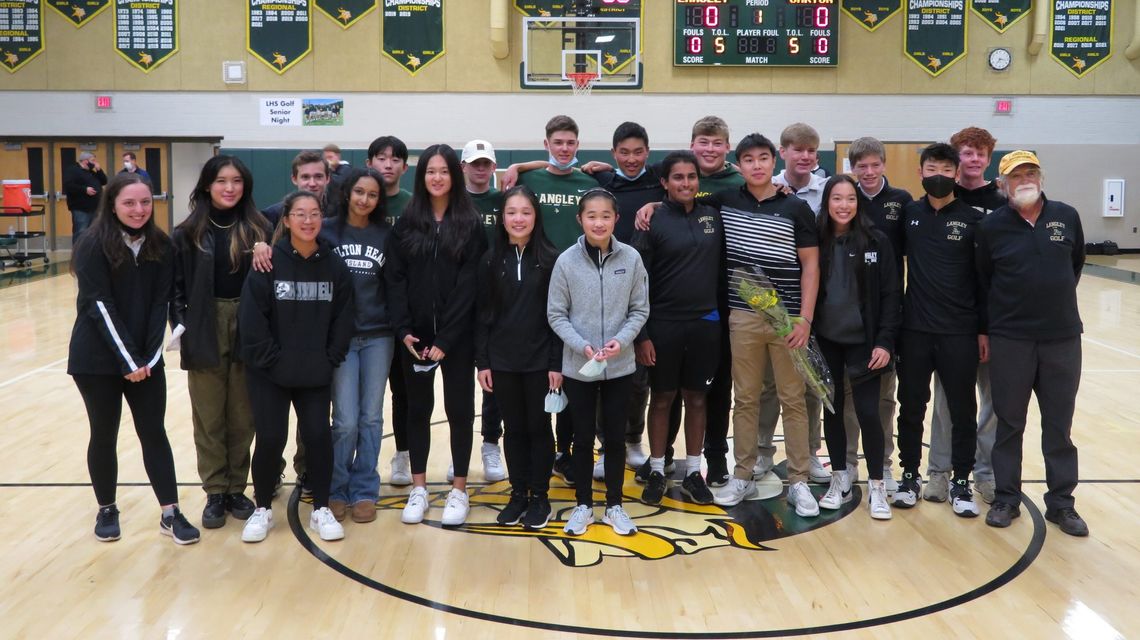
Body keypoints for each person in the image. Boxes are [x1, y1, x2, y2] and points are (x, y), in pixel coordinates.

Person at [68, 172, 200, 545]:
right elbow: (99, 306)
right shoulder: (93, 243)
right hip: (96, 360)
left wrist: (149, 356)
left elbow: (161, 302)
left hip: (144, 359)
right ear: (112, 205)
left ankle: (170, 513)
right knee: (104, 433)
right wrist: (128, 361)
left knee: (154, 433)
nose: (139, 209)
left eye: (145, 202)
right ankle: (107, 508)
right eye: (129, 202)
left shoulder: (162, 245)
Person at [697, 134, 821, 516]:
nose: (756, 165)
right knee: (746, 399)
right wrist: (651, 205)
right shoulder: (725, 201)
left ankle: (799, 482)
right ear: (740, 165)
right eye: (747, 159)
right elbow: (683, 200)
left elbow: (811, 266)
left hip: (787, 321)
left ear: (773, 161)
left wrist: (804, 318)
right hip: (743, 316)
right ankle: (743, 474)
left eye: (762, 158)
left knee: (793, 400)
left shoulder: (796, 208)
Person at [978, 151, 1088, 537]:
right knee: (1009, 423)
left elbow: (1074, 264)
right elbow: (983, 281)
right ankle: (1006, 498)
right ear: (1002, 183)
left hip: (1061, 338)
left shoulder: (1066, 216)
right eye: (1015, 174)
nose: (1024, 179)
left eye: (1030, 172)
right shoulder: (992, 227)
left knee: (1059, 426)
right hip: (1011, 339)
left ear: (1040, 178)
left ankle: (1062, 504)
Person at [239, 191, 354, 543]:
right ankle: (262, 508)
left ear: (323, 218)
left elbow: (344, 317)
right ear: (286, 220)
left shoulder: (334, 265)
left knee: (318, 437)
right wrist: (273, 362)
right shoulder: (267, 262)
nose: (308, 220)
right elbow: (252, 320)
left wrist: (330, 357)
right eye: (300, 214)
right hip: (270, 374)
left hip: (314, 373)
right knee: (271, 439)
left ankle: (320, 508)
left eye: (315, 213)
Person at [386, 144, 486, 527]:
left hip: (455, 340)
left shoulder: (470, 224)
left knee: (460, 412)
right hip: (414, 338)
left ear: (454, 176)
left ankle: (459, 489)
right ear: (422, 175)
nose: (438, 177)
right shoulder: (408, 223)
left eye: (444, 171)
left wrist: (446, 339)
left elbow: (468, 287)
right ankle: (419, 487)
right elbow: (394, 279)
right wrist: (404, 331)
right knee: (417, 411)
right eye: (431, 171)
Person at [171, 155, 271, 529]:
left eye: (236, 181)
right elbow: (175, 288)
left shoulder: (260, 227)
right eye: (221, 181)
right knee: (209, 414)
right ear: (207, 186)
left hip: (248, 322)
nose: (229, 188)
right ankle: (215, 490)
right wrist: (182, 326)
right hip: (204, 322)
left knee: (243, 414)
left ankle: (235, 488)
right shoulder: (187, 233)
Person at [549, 188, 649, 536]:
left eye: (605, 215)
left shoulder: (632, 259)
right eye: (591, 215)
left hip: (620, 365)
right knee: (581, 435)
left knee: (616, 439)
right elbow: (556, 315)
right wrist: (583, 346)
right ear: (580, 219)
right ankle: (583, 506)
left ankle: (615, 506)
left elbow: (640, 309)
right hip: (579, 365)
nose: (598, 222)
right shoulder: (566, 262)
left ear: (615, 219)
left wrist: (621, 342)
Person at [893, 143, 985, 518]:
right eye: (932, 169)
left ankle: (961, 481)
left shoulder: (974, 220)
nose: (939, 176)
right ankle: (910, 475)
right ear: (920, 172)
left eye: (947, 170)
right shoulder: (909, 214)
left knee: (962, 410)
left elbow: (983, 280)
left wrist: (983, 330)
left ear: (957, 174)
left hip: (959, 332)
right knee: (911, 406)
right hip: (914, 329)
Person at [631, 151, 720, 506]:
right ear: (665, 183)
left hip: (705, 324)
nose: (686, 183)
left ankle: (695, 471)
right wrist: (642, 335)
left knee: (697, 397)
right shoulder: (650, 222)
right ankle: (656, 469)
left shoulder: (713, 216)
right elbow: (637, 284)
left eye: (692, 177)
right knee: (663, 397)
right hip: (663, 325)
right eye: (678, 177)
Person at [924, 126, 1007, 505]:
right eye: (966, 153)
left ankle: (985, 473)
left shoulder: (1004, 201)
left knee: (992, 403)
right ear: (954, 163)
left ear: (988, 159)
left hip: (997, 320)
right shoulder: (937, 201)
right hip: (950, 323)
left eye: (980, 153)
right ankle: (939, 472)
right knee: (946, 403)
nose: (973, 159)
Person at [515, 115, 599, 483]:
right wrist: (518, 165)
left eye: (570, 143)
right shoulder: (528, 180)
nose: (564, 149)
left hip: (580, 290)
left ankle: (566, 452)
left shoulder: (591, 183)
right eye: (558, 142)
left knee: (572, 372)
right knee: (537, 371)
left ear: (578, 146)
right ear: (546, 143)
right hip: (535, 287)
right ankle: (529, 447)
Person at [813, 175, 901, 520]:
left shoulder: (876, 241)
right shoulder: (816, 241)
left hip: (865, 345)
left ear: (858, 203)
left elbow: (892, 294)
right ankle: (839, 478)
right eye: (837, 198)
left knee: (868, 413)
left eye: (850, 198)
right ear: (827, 202)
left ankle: (877, 485)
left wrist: (884, 342)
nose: (844, 205)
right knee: (833, 412)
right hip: (827, 342)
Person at [476, 185, 563, 529]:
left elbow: (559, 317)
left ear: (536, 216)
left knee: (539, 428)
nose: (518, 218)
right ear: (502, 218)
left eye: (525, 212)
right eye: (511, 212)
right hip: (503, 362)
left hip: (541, 362)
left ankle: (540, 497)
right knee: (513, 430)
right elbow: (482, 315)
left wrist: (557, 364)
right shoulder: (489, 260)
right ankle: (518, 495)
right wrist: (483, 361)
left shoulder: (552, 259)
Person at [321, 168, 393, 524]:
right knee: (345, 420)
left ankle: (365, 489)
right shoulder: (325, 230)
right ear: (348, 193)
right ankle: (337, 488)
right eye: (359, 192)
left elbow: (394, 284)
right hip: (341, 338)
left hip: (379, 336)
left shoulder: (385, 234)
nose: (365, 200)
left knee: (371, 417)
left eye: (373, 195)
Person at [847, 137, 912, 495]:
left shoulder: (901, 202)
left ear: (884, 164)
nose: (869, 173)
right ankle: (846, 464)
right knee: (846, 398)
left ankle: (883, 463)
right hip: (845, 314)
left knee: (884, 397)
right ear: (852, 169)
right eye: (862, 167)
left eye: (875, 165)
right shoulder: (845, 197)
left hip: (886, 311)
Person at [768, 122, 830, 486]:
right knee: (764, 386)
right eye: (797, 150)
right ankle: (761, 452)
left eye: (811, 151)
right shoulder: (769, 187)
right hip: (770, 300)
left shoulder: (830, 191)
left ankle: (809, 453)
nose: (804, 156)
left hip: (813, 302)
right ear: (784, 152)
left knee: (811, 381)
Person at [364, 135, 414, 487]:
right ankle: (357, 463)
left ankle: (403, 455)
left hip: (405, 315)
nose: (388, 164)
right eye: (381, 158)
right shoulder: (361, 204)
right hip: (366, 317)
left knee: (404, 392)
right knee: (363, 401)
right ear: (370, 163)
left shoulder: (413, 208)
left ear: (404, 166)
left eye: (395, 159)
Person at [461, 138, 508, 483]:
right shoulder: (452, 202)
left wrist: (522, 167)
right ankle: (458, 451)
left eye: (485, 163)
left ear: (494, 168)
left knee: (496, 379)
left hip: (499, 298)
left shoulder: (504, 201)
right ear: (463, 167)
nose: (480, 169)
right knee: (459, 382)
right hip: (460, 301)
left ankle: (491, 445)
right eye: (474, 163)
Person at [261, 151, 336, 227]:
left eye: (318, 176)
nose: (312, 183)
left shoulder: (340, 214)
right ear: (294, 179)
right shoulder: (273, 215)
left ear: (327, 178)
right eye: (305, 177)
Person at [62, 151, 108, 244]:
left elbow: (104, 181)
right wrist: (84, 189)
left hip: (94, 207)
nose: (95, 163)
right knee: (81, 231)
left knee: (93, 232)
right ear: (86, 161)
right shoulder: (73, 170)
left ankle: (89, 253)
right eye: (93, 160)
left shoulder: (91, 172)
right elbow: (68, 186)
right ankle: (78, 254)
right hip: (81, 208)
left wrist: (99, 170)